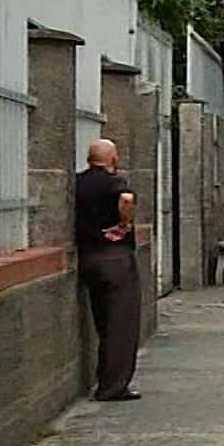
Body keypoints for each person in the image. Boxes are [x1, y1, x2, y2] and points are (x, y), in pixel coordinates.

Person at [75, 139, 141, 401]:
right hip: (114, 259)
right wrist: (123, 225)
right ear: (113, 159)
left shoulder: (78, 182)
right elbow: (126, 198)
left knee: (102, 320)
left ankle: (104, 377)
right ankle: (113, 386)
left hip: (88, 257)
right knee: (121, 325)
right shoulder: (113, 182)